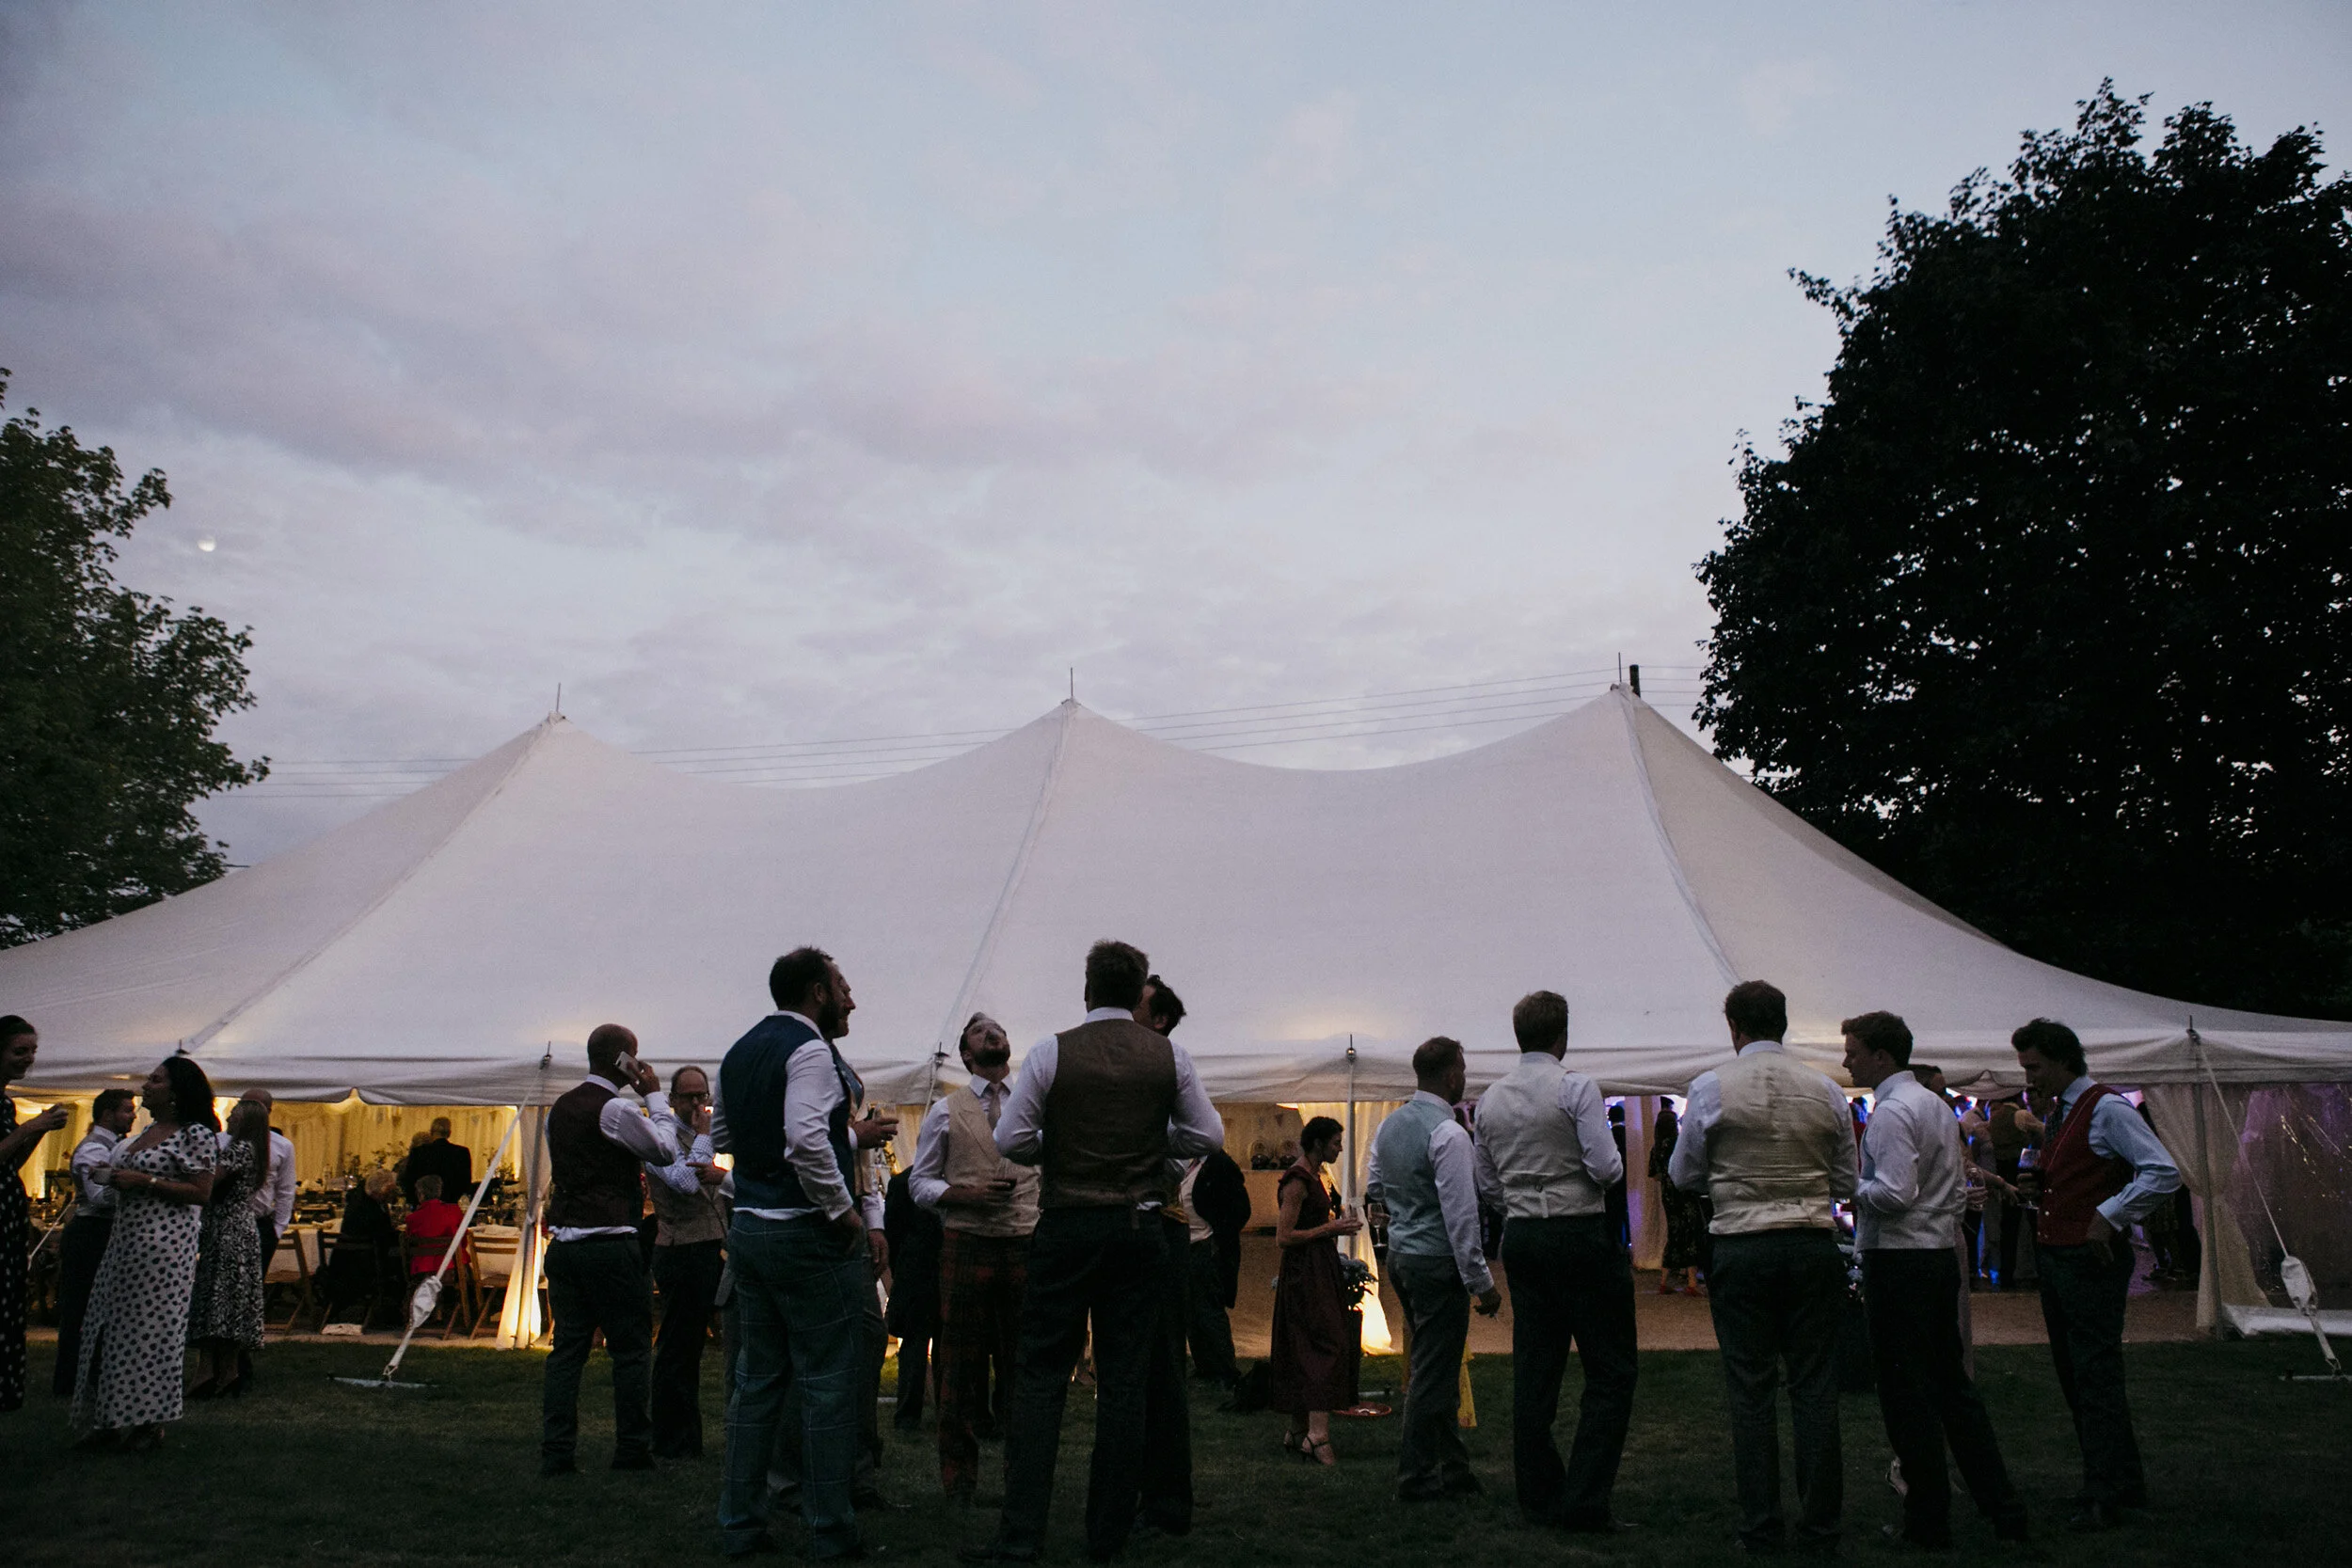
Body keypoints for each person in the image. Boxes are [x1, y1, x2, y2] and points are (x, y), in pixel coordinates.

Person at [961, 939, 1223, 1565]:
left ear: (1086, 988)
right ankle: (1105, 1534)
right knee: (1125, 1382)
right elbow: (1207, 1134)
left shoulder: (1053, 1050)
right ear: (1137, 995)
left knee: (1041, 1377)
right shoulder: (1170, 1054)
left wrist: (1066, 1142)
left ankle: (1020, 1532)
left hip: (1068, 1224)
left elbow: (1010, 1137)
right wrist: (1151, 1140)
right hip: (1137, 1229)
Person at [715, 947, 895, 1561]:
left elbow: (720, 1137)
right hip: (807, 1232)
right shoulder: (813, 1050)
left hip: (750, 1230)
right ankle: (830, 1529)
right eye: (844, 986)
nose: (851, 998)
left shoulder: (738, 1051)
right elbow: (805, 1138)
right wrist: (842, 1210)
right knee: (828, 1382)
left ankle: (739, 1523)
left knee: (756, 1383)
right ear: (817, 992)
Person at [1668, 980, 1857, 1556]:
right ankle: (1821, 1525)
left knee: (1751, 1391)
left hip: (1743, 1245)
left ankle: (1760, 1525)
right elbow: (1847, 1180)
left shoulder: (1711, 1087)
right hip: (1810, 1244)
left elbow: (1682, 1175)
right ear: (1784, 1024)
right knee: (1814, 1387)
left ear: (1735, 1028)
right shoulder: (1825, 1090)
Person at [1843, 1013, 2028, 1547]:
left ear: (1883, 1057)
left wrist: (1847, 1187)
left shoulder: (1894, 1112)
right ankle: (2002, 1507)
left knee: (1905, 1396)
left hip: (1900, 1262)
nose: (1846, 1060)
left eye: (1853, 1051)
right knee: (1952, 1388)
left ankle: (1927, 1518)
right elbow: (1944, 1187)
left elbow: (1895, 1194)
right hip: (1936, 1257)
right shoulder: (1933, 1105)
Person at [1473, 990, 1637, 1533]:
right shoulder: (1575, 1087)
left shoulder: (1492, 1097)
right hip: (1578, 1232)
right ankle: (1585, 1498)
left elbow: (1486, 1181)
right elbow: (1608, 1167)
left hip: (1523, 1236)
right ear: (1563, 1036)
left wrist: (1520, 1203)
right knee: (1611, 1369)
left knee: (1536, 1368)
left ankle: (1540, 1495)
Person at [2011, 1018, 2181, 1531]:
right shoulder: (2063, 1112)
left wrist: (2110, 1215)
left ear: (2064, 1061)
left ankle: (2105, 1492)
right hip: (2060, 1255)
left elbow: (2163, 1170)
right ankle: (2118, 1482)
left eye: (2035, 1067)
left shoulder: (2106, 1108)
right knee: (2078, 1373)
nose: (2029, 1078)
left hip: (2087, 1262)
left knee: (2094, 1374)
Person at [1367, 1036, 1503, 1504]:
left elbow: (1374, 1186)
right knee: (1432, 1373)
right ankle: (1417, 1476)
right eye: (1463, 1069)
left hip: (1402, 1257)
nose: (1465, 1078)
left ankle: (1453, 1468)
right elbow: (1461, 1216)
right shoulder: (1448, 1134)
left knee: (1435, 1366)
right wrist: (1481, 1282)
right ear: (1450, 1075)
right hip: (1436, 1261)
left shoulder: (1391, 1126)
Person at [540, 1022, 680, 1478]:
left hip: (565, 1243)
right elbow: (664, 1151)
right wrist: (655, 1096)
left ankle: (557, 1453)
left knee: (566, 1352)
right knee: (632, 1350)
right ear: (624, 1059)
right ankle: (632, 1450)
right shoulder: (614, 1109)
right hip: (611, 1242)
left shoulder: (559, 1109)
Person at [910, 1012, 1038, 1504]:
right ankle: (959, 1479)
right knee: (960, 1366)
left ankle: (1021, 1476)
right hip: (966, 1242)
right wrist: (961, 1194)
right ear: (966, 1054)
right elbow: (919, 1183)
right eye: (980, 1032)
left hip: (1025, 1240)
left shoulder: (1033, 1105)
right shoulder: (946, 1111)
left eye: (999, 1029)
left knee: (1022, 1366)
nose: (993, 1033)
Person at [69, 1055, 221, 1449]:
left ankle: (149, 1423)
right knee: (116, 1331)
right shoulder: (147, 1130)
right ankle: (110, 1418)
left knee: (153, 1335)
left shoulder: (196, 1134)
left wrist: (145, 1181)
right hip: (125, 1241)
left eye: (154, 1080)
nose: (144, 1086)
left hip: (165, 1248)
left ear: (175, 1091)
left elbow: (201, 1192)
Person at [644, 1063, 728, 1459]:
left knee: (695, 1346)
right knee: (678, 1346)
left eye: (702, 1095)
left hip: (712, 1245)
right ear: (673, 1099)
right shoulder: (659, 1137)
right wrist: (705, 1139)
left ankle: (689, 1438)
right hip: (680, 1248)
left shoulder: (709, 1134)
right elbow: (684, 1181)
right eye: (688, 1096)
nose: (697, 1103)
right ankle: (671, 1440)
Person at [1270, 1116, 1360, 1465]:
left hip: (1316, 1268)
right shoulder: (1297, 1180)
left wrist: (1332, 1228)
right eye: (1336, 1142)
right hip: (1305, 1272)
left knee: (1303, 1343)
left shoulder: (1313, 1175)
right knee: (1326, 1343)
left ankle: (1297, 1430)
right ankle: (1317, 1435)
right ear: (1319, 1143)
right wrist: (1330, 1228)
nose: (1340, 1148)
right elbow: (1283, 1237)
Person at [1, 1017, 72, 1414]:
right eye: (18, 1051)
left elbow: (9, 1162)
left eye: (32, 1052)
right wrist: (32, 1125)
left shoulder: (6, 1102)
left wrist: (39, 1132)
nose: (27, 1060)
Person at [54, 1088, 138, 1397]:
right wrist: (137, 1187)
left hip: (104, 1233)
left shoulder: (115, 1146)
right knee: (80, 1309)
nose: (133, 1115)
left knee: (103, 1310)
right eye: (128, 1110)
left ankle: (94, 1376)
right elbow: (99, 1196)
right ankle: (70, 1381)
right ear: (107, 1114)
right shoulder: (94, 1149)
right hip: (90, 1233)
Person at [187, 1098, 271, 1399]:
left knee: (218, 1297)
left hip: (227, 1230)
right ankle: (225, 1371)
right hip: (240, 1229)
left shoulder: (239, 1150)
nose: (229, 1118)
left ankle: (214, 1372)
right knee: (230, 1300)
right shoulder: (257, 1151)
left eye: (234, 1114)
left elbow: (210, 1181)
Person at [225, 1088, 296, 1388]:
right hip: (227, 1225)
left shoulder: (281, 1146)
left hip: (260, 1225)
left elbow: (285, 1190)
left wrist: (277, 1229)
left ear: (268, 1111)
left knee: (250, 1293)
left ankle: (240, 1360)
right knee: (226, 1292)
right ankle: (226, 1362)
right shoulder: (223, 1143)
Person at [1183, 1141, 1250, 1390]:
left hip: (1206, 1246)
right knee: (1192, 1311)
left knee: (1209, 1310)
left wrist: (1218, 1238)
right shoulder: (1195, 1165)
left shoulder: (1219, 1165)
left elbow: (1240, 1209)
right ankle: (1204, 1366)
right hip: (1190, 1245)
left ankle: (1225, 1370)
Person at [882, 1161, 942, 1433]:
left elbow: (892, 1232)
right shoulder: (948, 1180)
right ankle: (944, 1410)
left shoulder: (903, 1183)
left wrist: (898, 1268)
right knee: (939, 1344)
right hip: (937, 1269)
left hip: (913, 1272)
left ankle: (908, 1415)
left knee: (915, 1346)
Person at [319, 1168, 403, 1322]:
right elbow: (385, 1238)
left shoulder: (355, 1201)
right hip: (366, 1267)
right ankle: (393, 1310)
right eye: (389, 1192)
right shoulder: (372, 1211)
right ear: (380, 1192)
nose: (391, 1196)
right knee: (402, 1266)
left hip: (341, 1265)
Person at [1650, 1098, 1707, 1294]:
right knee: (1691, 1233)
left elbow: (1655, 1176)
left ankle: (1664, 1281)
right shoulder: (1677, 1143)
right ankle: (1692, 1283)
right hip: (1684, 1193)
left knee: (1673, 1235)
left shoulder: (1655, 1148)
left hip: (1667, 1195)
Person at [402, 1116, 474, 1206]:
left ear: (431, 1132)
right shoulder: (461, 1152)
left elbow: (409, 1181)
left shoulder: (419, 1152)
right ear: (449, 1133)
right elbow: (466, 1184)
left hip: (424, 1206)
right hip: (450, 1206)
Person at [403, 1174, 465, 1275]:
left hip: (422, 1271)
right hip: (453, 1267)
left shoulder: (412, 1218)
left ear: (421, 1194)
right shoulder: (454, 1211)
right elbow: (463, 1240)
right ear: (439, 1191)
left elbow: (410, 1242)